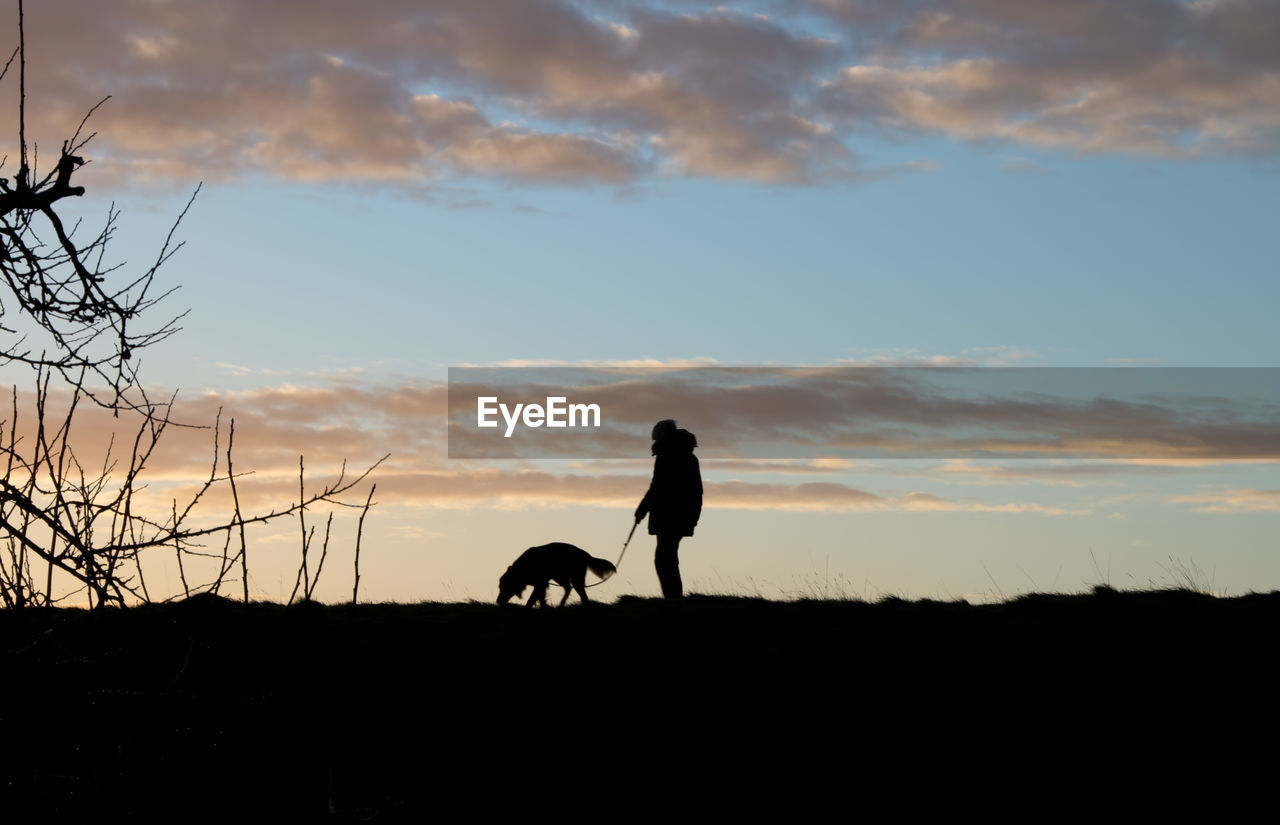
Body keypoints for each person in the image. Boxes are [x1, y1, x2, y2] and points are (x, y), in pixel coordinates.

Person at [634, 419, 702, 599]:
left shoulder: (667, 456)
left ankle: (673, 598)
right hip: (683, 515)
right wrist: (693, 517)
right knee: (668, 556)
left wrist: (642, 509)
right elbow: (697, 492)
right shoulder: (689, 457)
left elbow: (657, 487)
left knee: (664, 558)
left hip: (668, 515)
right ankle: (673, 597)